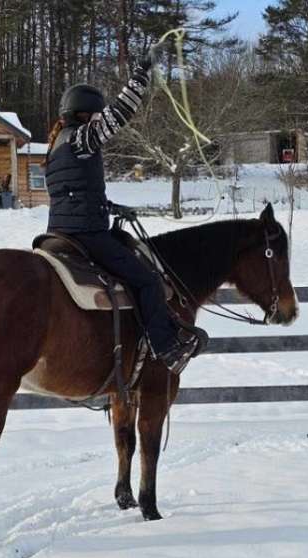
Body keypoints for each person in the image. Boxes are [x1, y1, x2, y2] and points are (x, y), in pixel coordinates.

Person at [44, 46, 206, 374]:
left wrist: (108, 205)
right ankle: (166, 348)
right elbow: (119, 115)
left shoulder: (55, 146)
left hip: (60, 229)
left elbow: (71, 194)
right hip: (86, 233)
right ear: (85, 114)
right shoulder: (80, 139)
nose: (100, 119)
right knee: (147, 281)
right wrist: (141, 75)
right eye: (96, 115)